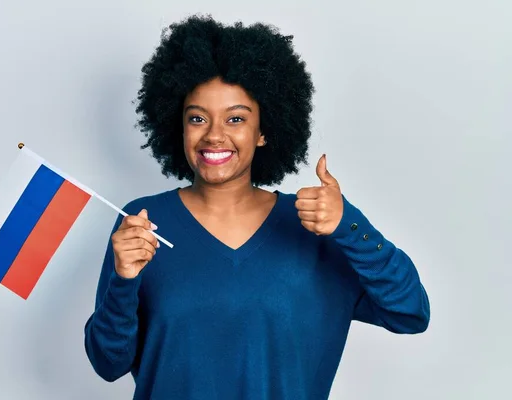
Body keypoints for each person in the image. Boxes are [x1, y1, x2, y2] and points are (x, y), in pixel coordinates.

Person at [83, 14, 430, 400]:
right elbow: (107, 362)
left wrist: (350, 226)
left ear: (263, 131)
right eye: (197, 118)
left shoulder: (315, 227)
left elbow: (411, 312)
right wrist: (123, 281)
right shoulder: (145, 223)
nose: (214, 134)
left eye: (236, 119)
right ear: (177, 127)